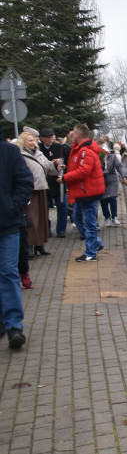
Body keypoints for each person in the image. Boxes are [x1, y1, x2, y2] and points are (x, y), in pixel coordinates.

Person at [1, 137, 34, 348]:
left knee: (7, 271)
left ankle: (14, 325)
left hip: (7, 226)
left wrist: (13, 208)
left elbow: (25, 181)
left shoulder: (9, 152)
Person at [61, 124, 106, 262]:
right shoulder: (81, 149)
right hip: (83, 192)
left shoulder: (86, 151)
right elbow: (79, 167)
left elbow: (83, 171)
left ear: (78, 135)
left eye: (74, 133)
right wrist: (66, 169)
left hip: (88, 192)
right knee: (78, 218)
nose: (72, 135)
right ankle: (96, 244)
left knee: (89, 223)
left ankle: (91, 252)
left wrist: (64, 178)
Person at [18, 130, 56, 259]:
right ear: (23, 142)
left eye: (33, 140)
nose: (33, 143)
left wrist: (55, 164)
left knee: (42, 218)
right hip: (30, 191)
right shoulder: (20, 155)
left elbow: (49, 167)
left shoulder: (39, 154)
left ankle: (40, 245)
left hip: (41, 189)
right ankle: (28, 245)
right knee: (31, 219)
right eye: (29, 140)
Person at [38, 127, 70, 237]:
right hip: (44, 182)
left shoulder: (59, 147)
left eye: (52, 137)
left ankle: (61, 230)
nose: (50, 140)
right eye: (47, 138)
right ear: (41, 138)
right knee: (44, 207)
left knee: (62, 206)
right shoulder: (38, 148)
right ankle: (46, 228)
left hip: (58, 181)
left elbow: (66, 162)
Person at [100, 141, 127, 227]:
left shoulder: (112, 157)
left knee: (112, 198)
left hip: (112, 180)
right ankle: (107, 217)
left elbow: (119, 166)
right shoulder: (98, 158)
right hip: (101, 181)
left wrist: (124, 176)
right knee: (103, 200)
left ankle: (114, 217)